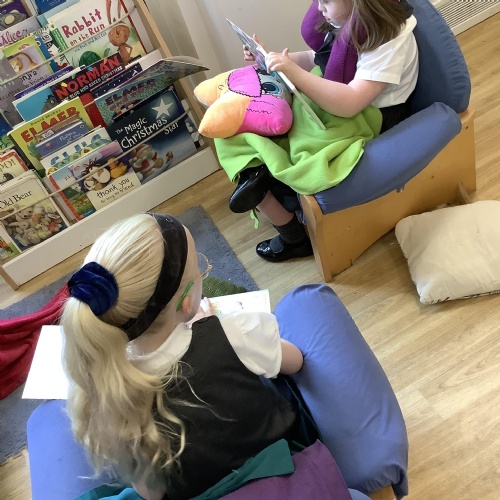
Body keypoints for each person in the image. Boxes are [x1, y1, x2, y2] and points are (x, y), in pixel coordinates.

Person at [61, 212, 305, 500]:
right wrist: (211, 328)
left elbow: (152, 494)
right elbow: (295, 361)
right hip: (279, 470)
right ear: (188, 302)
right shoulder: (233, 332)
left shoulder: (110, 394)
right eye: (199, 267)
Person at [229, 0, 419, 263]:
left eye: (326, 1)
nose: (319, 8)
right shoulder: (349, 19)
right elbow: (317, 58)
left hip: (370, 116)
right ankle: (261, 175)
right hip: (341, 100)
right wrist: (273, 59)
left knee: (299, 144)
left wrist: (293, 73)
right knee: (250, 117)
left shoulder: (389, 40)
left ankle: (290, 228)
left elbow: (352, 102)